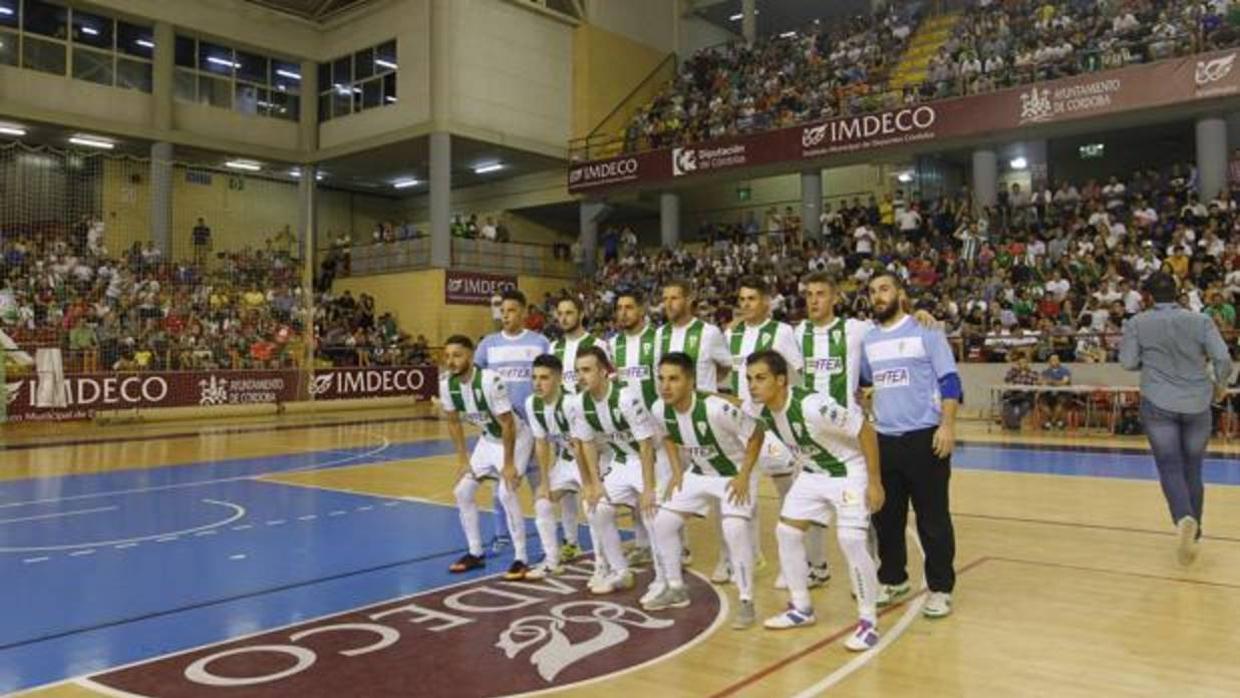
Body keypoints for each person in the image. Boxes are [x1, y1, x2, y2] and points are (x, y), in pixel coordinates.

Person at [742, 350, 884, 652]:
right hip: (812, 473)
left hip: (848, 471)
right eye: (749, 379)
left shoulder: (812, 406)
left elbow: (865, 431)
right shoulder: (762, 410)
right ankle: (801, 608)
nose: (753, 385)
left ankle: (868, 622)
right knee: (787, 532)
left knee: (851, 541)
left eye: (760, 378)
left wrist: (874, 482)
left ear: (781, 380)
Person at [860, 272, 962, 619]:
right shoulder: (869, 340)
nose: (878, 296)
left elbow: (950, 381)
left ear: (900, 294)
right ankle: (893, 579)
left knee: (932, 520)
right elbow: (860, 383)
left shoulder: (926, 332)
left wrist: (947, 425)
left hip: (924, 438)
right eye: (873, 291)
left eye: (884, 289)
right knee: (886, 518)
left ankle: (940, 588)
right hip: (884, 441)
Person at [1120, 272, 1233, 566]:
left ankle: (1183, 517)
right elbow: (1222, 358)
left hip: (1158, 401)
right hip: (1197, 402)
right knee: (1193, 467)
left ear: (1148, 297)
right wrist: (1220, 384)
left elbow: (1128, 362)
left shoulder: (1137, 323)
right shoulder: (1200, 320)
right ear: (1178, 292)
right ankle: (1194, 532)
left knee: (1170, 464)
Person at [646, 352, 760, 629]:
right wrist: (676, 472)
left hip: (733, 473)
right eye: (661, 379)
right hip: (698, 473)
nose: (665, 386)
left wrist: (744, 475)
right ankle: (675, 586)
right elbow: (669, 437)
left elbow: (757, 432)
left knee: (734, 528)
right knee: (662, 522)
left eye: (673, 379)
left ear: (691, 381)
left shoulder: (716, 409)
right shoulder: (660, 408)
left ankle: (746, 600)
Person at [570, 346, 669, 598]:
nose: (581, 376)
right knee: (595, 506)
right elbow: (587, 443)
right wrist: (594, 483)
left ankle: (664, 580)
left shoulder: (626, 398)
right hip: (623, 460)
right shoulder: (580, 402)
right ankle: (620, 571)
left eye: (587, 370)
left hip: (653, 459)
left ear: (604, 372)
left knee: (651, 513)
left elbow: (647, 446)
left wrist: (647, 489)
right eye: (577, 371)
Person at [726, 276, 804, 588]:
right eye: (741, 299)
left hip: (777, 428)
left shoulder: (782, 332)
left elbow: (796, 375)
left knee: (790, 499)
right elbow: (722, 373)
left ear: (766, 302)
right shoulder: (730, 334)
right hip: (743, 428)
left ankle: (792, 566)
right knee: (745, 498)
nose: (745, 304)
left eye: (751, 299)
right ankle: (751, 557)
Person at [438, 335, 533, 580]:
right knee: (462, 492)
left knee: (506, 492)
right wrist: (462, 459)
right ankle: (475, 553)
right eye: (447, 356)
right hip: (487, 441)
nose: (451, 360)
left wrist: (509, 464)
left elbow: (508, 424)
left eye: (457, 355)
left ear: (470, 356)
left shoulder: (491, 381)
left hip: (516, 438)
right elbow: (453, 422)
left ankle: (521, 557)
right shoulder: (447, 384)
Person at [474, 289, 550, 553]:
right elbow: (475, 380)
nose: (505, 315)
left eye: (511, 310)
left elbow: (549, 380)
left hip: (534, 426)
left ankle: (546, 538)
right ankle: (501, 534)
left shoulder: (541, 343)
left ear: (524, 312)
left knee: (538, 483)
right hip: (502, 428)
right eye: (502, 311)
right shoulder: (488, 344)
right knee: (501, 484)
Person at [524, 354, 590, 579]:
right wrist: (544, 481)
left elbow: (583, 446)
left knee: (595, 507)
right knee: (542, 501)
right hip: (565, 460)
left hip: (591, 460)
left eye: (544, 378)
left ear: (559, 378)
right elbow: (541, 443)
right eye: (534, 377)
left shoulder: (572, 403)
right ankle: (551, 561)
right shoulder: (532, 403)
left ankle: (604, 564)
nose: (537, 383)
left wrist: (589, 483)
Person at [1039, 354, 1074, 430]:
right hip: (1048, 393)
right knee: (1042, 401)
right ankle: (1057, 422)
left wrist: (1052, 382)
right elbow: (1041, 381)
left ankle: (1050, 422)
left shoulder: (1065, 371)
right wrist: (1048, 382)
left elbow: (1064, 381)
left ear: (1059, 361)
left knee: (1060, 402)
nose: (1054, 361)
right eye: (1052, 360)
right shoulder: (1046, 372)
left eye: (1055, 359)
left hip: (1062, 393)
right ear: (1049, 362)